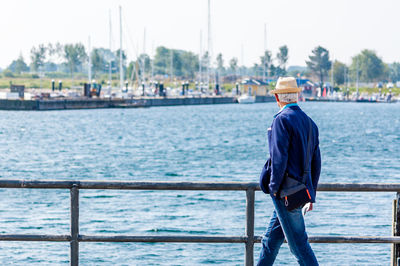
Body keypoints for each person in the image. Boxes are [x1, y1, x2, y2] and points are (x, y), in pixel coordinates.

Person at [257, 77, 321, 266]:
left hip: (285, 192)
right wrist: (311, 194)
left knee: (299, 247)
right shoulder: (310, 123)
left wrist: (274, 188)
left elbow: (279, 159)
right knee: (270, 240)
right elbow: (316, 161)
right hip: (301, 191)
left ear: (277, 97)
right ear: (297, 96)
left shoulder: (281, 120)